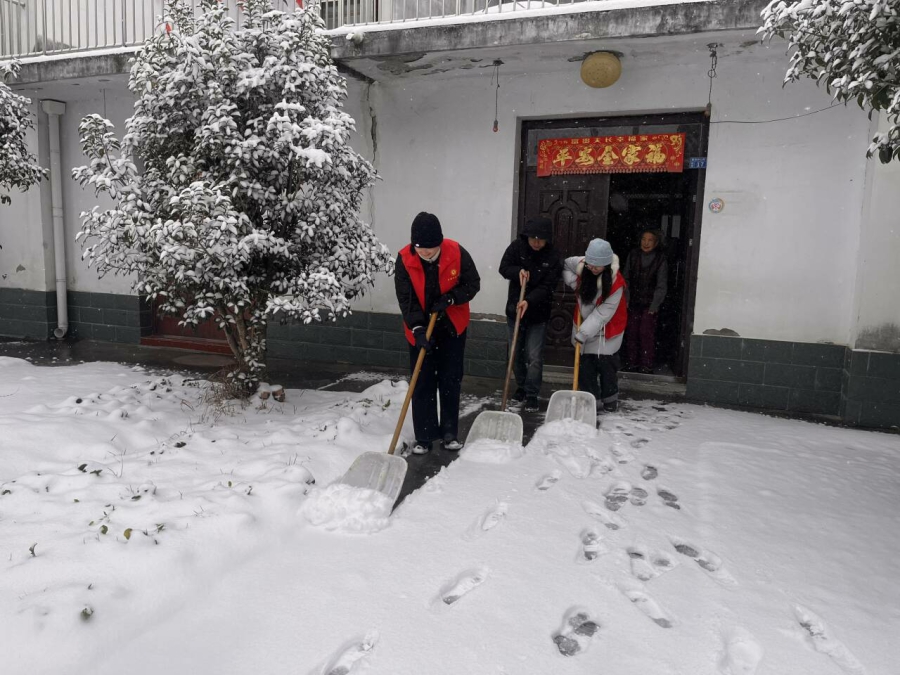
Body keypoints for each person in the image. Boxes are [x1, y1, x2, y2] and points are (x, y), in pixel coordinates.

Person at [394, 212, 481, 454]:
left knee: (450, 379)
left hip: (452, 325)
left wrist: (451, 298)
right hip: (420, 327)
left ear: (440, 242)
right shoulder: (404, 259)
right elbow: (406, 299)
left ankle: (450, 433)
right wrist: (418, 329)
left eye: (431, 248)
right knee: (422, 381)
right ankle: (424, 436)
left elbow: (473, 284)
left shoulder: (457, 252)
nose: (426, 252)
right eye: (420, 248)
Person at [498, 217, 562, 412]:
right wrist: (517, 271)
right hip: (515, 310)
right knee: (516, 353)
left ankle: (532, 393)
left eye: (540, 239)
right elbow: (503, 268)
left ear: (547, 239)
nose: (536, 242)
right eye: (533, 238)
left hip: (538, 313)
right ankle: (521, 387)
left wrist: (529, 301)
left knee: (534, 356)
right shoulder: (517, 247)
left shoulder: (553, 255)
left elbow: (548, 286)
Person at [562, 238, 628, 413]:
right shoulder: (581, 264)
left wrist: (583, 333)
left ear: (606, 265)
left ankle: (610, 399)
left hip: (608, 328)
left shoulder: (615, 283)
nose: (592, 268)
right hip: (584, 323)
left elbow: (601, 315)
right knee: (585, 366)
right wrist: (574, 282)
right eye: (590, 264)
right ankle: (590, 400)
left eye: (597, 266)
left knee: (606, 365)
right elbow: (565, 265)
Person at [623, 228, 667, 374]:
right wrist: (626, 298)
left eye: (650, 240)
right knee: (632, 332)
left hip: (649, 303)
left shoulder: (660, 259)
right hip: (633, 301)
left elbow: (661, 285)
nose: (646, 243)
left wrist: (655, 305)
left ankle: (646, 365)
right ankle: (632, 363)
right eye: (643, 239)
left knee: (646, 333)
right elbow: (625, 279)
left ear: (656, 243)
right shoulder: (633, 255)